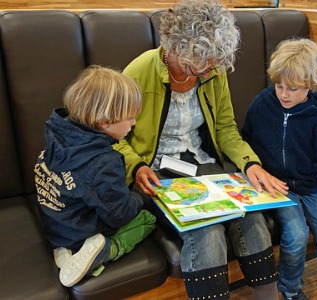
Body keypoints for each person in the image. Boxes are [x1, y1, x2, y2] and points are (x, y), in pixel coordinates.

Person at [114, 0, 288, 299]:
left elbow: (225, 128)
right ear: (174, 47)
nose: (206, 70)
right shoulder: (139, 72)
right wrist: (136, 166)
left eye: (212, 62)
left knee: (250, 218)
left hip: (202, 163)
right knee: (206, 229)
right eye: (197, 62)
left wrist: (250, 164)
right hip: (156, 169)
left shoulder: (212, 70)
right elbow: (113, 135)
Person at [242, 38, 317, 300]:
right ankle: (290, 291)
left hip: (314, 188)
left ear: (311, 84)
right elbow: (245, 142)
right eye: (279, 86)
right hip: (279, 188)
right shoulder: (262, 104)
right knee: (296, 235)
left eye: (293, 89)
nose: (284, 94)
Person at [34, 65, 156, 287]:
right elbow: (120, 214)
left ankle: (65, 250)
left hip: (55, 225)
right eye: (130, 118)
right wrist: (142, 196)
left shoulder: (58, 132)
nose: (134, 123)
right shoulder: (103, 164)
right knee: (148, 220)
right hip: (80, 229)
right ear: (105, 122)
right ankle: (105, 250)